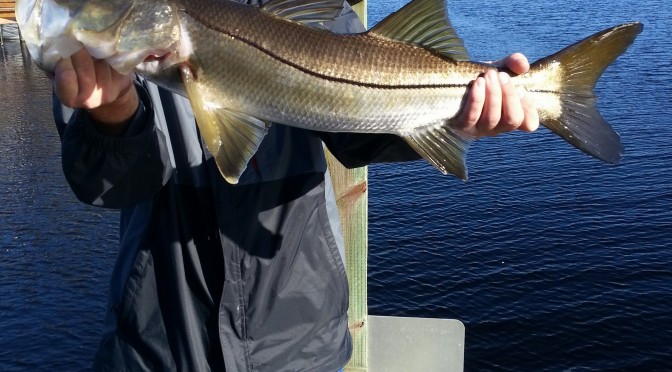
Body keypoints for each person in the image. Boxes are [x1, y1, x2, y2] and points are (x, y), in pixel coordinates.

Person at [51, 0, 538, 370]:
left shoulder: (314, 6)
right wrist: (112, 115)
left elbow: (356, 139)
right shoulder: (97, 52)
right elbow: (102, 185)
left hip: (302, 346)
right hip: (160, 346)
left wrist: (459, 116)